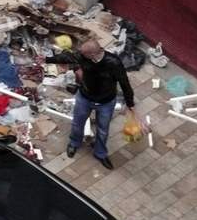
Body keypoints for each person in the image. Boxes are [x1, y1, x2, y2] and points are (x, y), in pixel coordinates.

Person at [38, 40, 136, 170]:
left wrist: (131, 104)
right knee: (78, 123)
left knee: (103, 129)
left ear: (92, 54)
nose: (80, 53)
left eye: (83, 52)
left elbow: (125, 83)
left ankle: (100, 153)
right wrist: (47, 59)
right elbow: (68, 57)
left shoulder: (113, 63)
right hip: (85, 96)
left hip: (105, 101)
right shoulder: (83, 56)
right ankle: (74, 143)